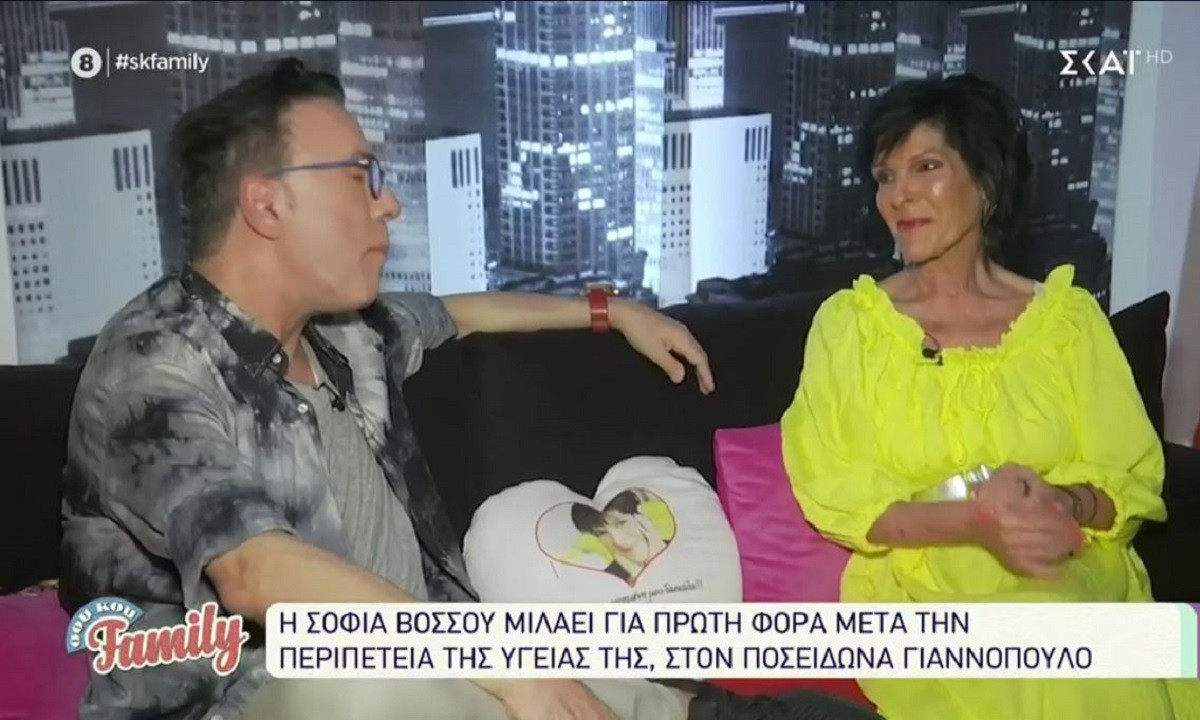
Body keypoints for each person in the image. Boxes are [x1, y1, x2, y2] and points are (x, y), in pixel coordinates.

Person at [59, 58, 884, 720]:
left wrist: (611, 311)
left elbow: (461, 312)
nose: (388, 203)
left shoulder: (345, 335)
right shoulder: (152, 365)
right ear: (266, 204)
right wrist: (502, 666)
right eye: (359, 176)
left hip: (438, 673)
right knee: (352, 690)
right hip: (254, 696)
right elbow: (256, 574)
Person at [779, 73, 1200, 720]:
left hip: (1069, 570)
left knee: (1069, 629)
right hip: (927, 591)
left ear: (987, 182)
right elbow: (841, 495)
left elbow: (1131, 478)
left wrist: (1059, 502)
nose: (898, 194)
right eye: (885, 176)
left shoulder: (1068, 322)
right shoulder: (851, 327)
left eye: (926, 167)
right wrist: (979, 523)